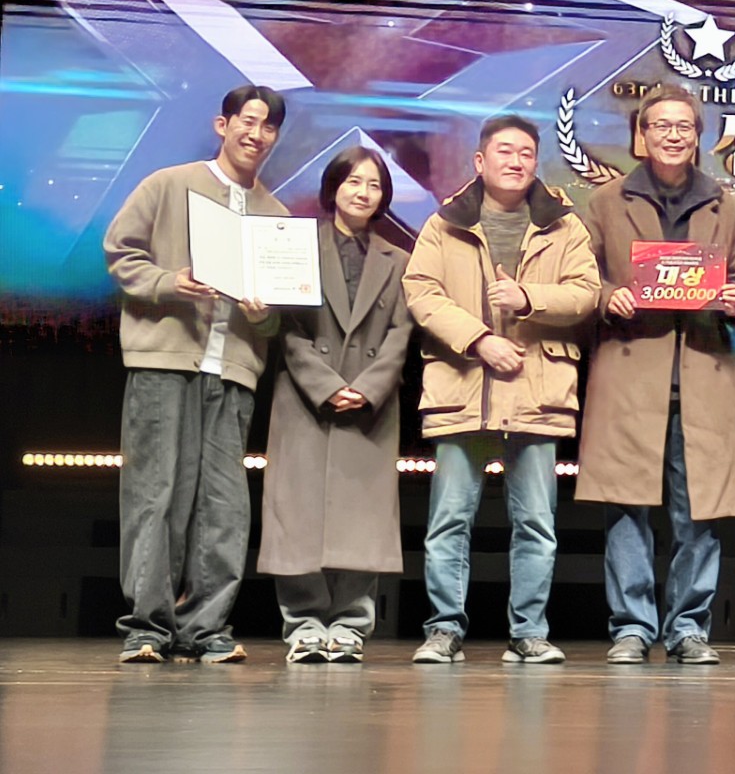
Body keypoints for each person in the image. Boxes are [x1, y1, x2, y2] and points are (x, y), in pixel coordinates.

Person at [403, 114, 599, 665]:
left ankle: (529, 633)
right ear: (480, 160)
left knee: (536, 523)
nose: (516, 162)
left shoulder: (565, 225)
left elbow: (587, 292)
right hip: (464, 385)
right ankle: (443, 630)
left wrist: (530, 298)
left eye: (526, 153)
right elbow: (421, 292)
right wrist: (479, 339)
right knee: (449, 520)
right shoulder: (444, 223)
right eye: (505, 151)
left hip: (537, 390)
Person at [103, 85, 287, 664]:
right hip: (165, 359)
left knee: (225, 506)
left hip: (233, 370)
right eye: (247, 121)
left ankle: (207, 628)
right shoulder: (169, 184)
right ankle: (147, 627)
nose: (256, 134)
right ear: (222, 124)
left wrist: (263, 313)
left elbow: (276, 317)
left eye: (268, 126)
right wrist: (169, 283)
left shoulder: (277, 216)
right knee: (154, 496)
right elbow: (120, 252)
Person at [577, 84, 735, 666]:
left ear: (698, 136)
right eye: (661, 125)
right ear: (641, 134)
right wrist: (608, 297)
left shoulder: (726, 206)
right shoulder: (606, 202)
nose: (673, 135)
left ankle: (689, 628)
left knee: (699, 509)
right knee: (626, 506)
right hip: (630, 370)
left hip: (702, 370)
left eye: (684, 126)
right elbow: (581, 278)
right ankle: (631, 627)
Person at [257, 146, 413, 663]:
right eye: (353, 182)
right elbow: (288, 329)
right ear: (334, 188)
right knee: (297, 515)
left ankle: (350, 626)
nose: (363, 192)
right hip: (306, 399)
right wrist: (325, 386)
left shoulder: (399, 261)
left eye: (374, 184)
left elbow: (400, 335)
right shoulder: (298, 247)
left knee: (361, 518)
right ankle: (303, 624)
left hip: (370, 405)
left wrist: (367, 389)